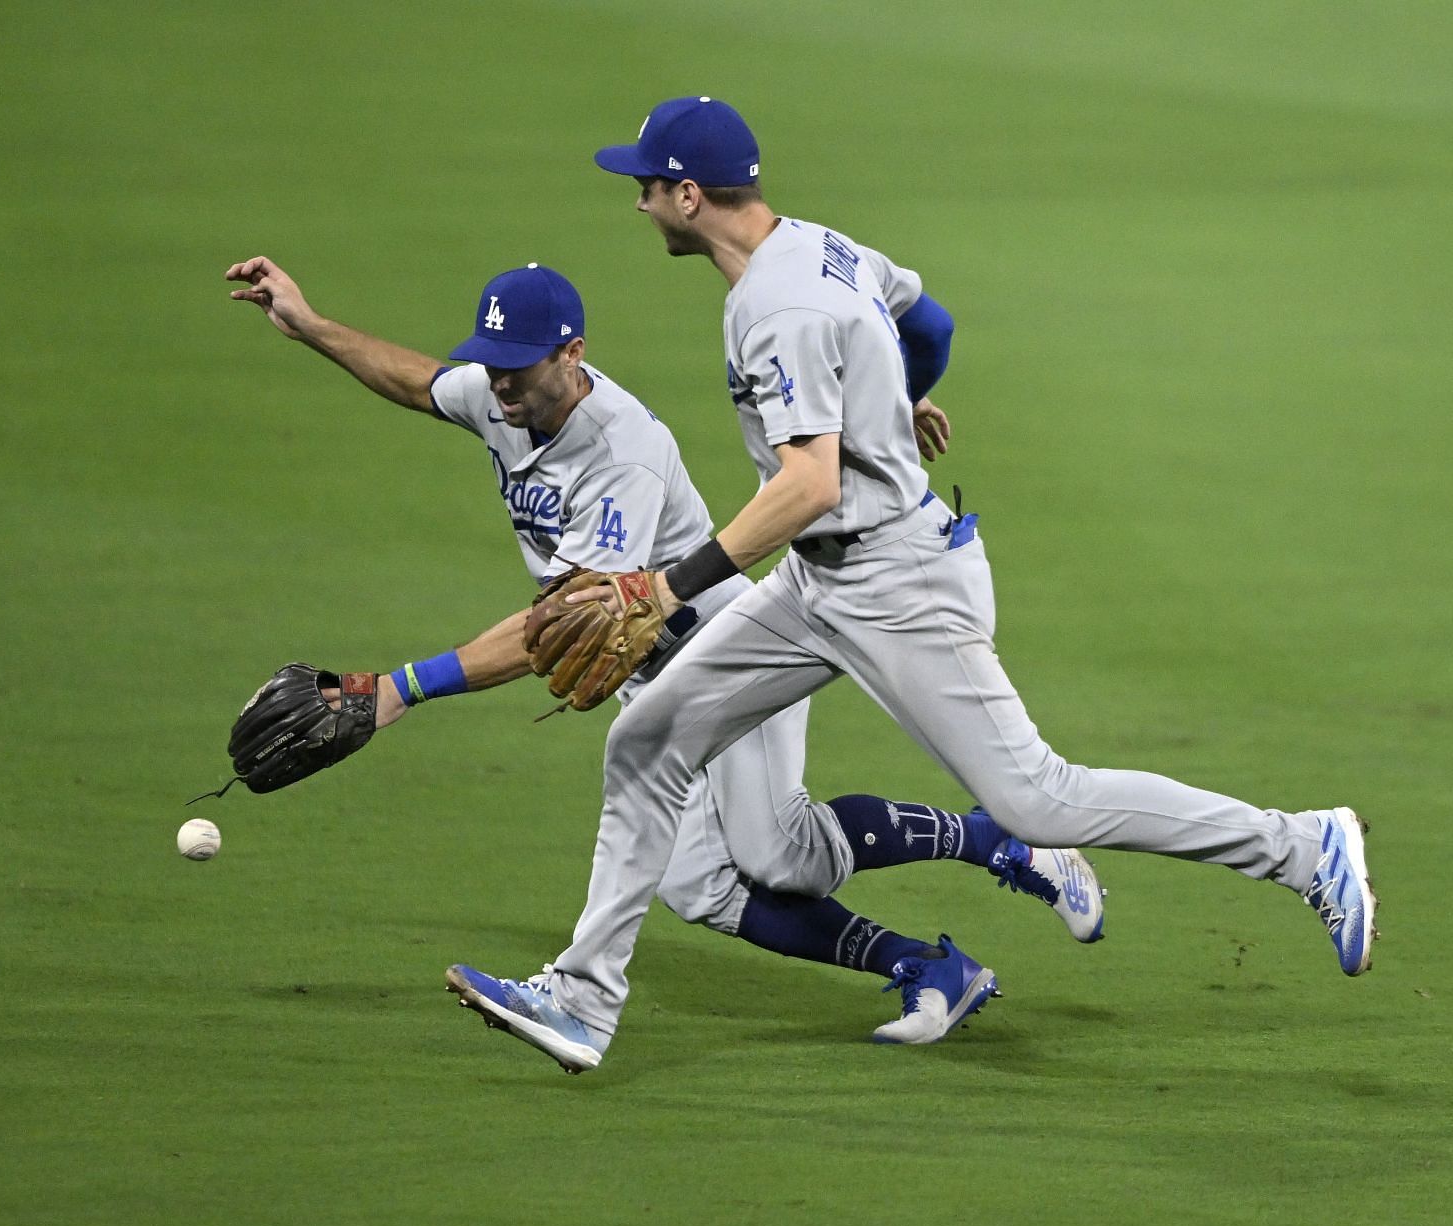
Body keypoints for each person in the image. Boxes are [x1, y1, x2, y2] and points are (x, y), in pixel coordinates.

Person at [447, 95, 1377, 1073]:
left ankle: (1303, 845)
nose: (637, 202)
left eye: (646, 184)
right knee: (649, 736)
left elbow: (807, 482)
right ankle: (585, 1000)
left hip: (897, 583)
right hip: (818, 585)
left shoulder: (775, 306)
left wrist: (668, 590)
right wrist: (896, 400)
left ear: (689, 195)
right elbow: (926, 322)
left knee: (1043, 802)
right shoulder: (820, 247)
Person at [223, 255, 1106, 1071]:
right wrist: (310, 324)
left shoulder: (619, 453)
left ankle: (997, 837)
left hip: (730, 654)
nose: (498, 383)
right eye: (491, 362)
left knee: (780, 853)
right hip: (651, 671)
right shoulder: (505, 393)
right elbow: (418, 381)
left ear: (572, 355)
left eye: (519, 366)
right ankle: (928, 964)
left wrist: (400, 689)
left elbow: (561, 629)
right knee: (698, 886)